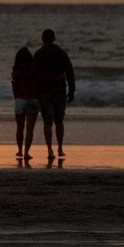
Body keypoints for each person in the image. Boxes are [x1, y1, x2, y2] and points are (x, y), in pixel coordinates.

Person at [33, 28, 75, 161]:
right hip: (59, 91)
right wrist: (72, 90)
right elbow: (69, 72)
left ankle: (50, 149)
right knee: (59, 121)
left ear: (42, 39)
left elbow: (33, 74)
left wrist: (33, 92)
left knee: (47, 122)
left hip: (44, 92)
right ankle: (60, 148)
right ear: (54, 39)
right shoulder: (62, 53)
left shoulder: (39, 54)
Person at [10, 47, 38, 161]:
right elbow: (38, 85)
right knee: (30, 129)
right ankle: (26, 152)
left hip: (20, 99)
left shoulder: (16, 72)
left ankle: (20, 150)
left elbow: (14, 87)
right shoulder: (34, 70)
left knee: (19, 128)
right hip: (32, 99)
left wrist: (17, 97)